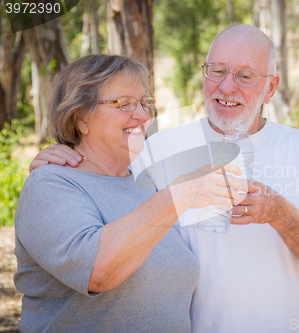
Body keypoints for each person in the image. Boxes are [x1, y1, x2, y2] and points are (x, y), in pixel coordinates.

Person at [30, 25, 299, 332]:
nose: (227, 87)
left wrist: (280, 214)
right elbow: (101, 174)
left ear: (271, 87)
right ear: (203, 73)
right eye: (217, 71)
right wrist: (60, 152)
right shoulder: (156, 147)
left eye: (245, 76)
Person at [15, 54, 243, 333]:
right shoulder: (51, 184)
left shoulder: (146, 180)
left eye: (145, 103)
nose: (144, 115)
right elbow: (98, 272)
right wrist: (179, 195)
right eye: (125, 104)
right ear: (80, 117)